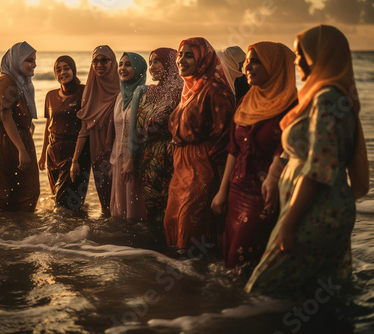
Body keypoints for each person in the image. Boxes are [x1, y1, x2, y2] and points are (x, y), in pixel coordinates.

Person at [245, 25, 370, 297]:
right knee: (327, 290)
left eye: (302, 53)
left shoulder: (327, 100)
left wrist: (288, 226)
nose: (296, 60)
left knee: (262, 289)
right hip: (327, 208)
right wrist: (276, 174)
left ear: (321, 55)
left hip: (316, 210)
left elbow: (318, 169)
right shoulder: (327, 96)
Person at [211, 42, 298, 272]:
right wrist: (222, 191)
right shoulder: (245, 101)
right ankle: (231, 305)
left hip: (267, 194)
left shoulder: (291, 105)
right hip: (236, 190)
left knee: (245, 259)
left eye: (256, 61)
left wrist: (274, 177)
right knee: (229, 258)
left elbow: (291, 148)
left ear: (276, 66)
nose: (247, 67)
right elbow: (233, 149)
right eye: (247, 61)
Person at [164, 37, 235, 251]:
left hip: (201, 172)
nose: (181, 60)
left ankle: (194, 282)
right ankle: (178, 279)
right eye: (180, 54)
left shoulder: (215, 91)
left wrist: (221, 188)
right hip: (181, 171)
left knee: (191, 231)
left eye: (189, 55)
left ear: (203, 59)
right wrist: (175, 140)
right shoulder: (190, 90)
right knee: (172, 226)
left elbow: (224, 139)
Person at [125, 48, 182, 234]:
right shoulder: (143, 91)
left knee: (172, 211)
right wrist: (132, 158)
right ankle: (153, 256)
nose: (152, 67)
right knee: (152, 212)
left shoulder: (181, 92)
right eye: (150, 63)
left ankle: (171, 257)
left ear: (171, 64)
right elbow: (133, 130)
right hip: (147, 159)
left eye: (157, 61)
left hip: (171, 159)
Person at [0, 41, 40, 212]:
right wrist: (21, 149)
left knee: (19, 195)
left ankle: (11, 235)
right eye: (29, 60)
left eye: (34, 60)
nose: (34, 64)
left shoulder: (20, 83)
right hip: (2, 143)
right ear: (16, 61)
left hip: (10, 141)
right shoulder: (7, 82)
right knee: (9, 195)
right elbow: (6, 117)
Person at [70, 45, 120, 217]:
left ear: (113, 62)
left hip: (119, 154)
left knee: (122, 201)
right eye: (95, 61)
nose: (99, 64)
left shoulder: (123, 90)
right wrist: (75, 160)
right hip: (97, 153)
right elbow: (84, 129)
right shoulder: (89, 92)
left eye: (104, 60)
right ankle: (108, 239)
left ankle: (123, 241)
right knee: (105, 202)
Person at [39, 55, 90, 211]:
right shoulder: (50, 95)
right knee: (59, 201)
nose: (62, 72)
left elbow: (86, 126)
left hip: (76, 153)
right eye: (58, 69)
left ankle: (76, 234)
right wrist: (42, 156)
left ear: (73, 70)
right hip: (53, 155)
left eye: (66, 68)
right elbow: (48, 126)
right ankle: (69, 233)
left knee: (66, 204)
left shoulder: (84, 92)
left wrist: (75, 160)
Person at [110, 52, 148, 220]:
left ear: (138, 69)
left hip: (135, 160)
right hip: (118, 160)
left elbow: (143, 131)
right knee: (118, 212)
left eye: (128, 65)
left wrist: (133, 158)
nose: (122, 68)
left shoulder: (144, 95)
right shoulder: (120, 96)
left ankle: (138, 245)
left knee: (135, 212)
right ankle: (119, 246)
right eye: (121, 64)